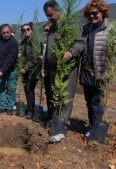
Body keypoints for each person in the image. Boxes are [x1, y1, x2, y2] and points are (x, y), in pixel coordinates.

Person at [64, 0, 112, 139]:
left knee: (97, 104)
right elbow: (80, 45)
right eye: (89, 14)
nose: (92, 16)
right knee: (89, 102)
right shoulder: (86, 29)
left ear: (102, 12)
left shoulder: (109, 29)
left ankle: (96, 133)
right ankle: (92, 127)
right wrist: (71, 52)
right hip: (86, 71)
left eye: (95, 13)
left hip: (100, 73)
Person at [42, 0, 79, 142]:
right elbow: (48, 50)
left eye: (51, 15)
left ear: (58, 11)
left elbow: (80, 42)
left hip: (66, 69)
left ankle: (63, 127)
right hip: (52, 69)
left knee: (65, 96)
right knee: (55, 95)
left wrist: (71, 51)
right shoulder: (52, 29)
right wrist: (45, 66)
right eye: (47, 16)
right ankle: (55, 121)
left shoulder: (69, 25)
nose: (49, 18)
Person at [0, 24, 18, 115]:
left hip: (11, 69)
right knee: (0, 88)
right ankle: (2, 106)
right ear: (1, 33)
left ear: (10, 31)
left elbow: (10, 60)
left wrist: (1, 71)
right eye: (4, 33)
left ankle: (10, 107)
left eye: (8, 32)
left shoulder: (13, 43)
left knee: (11, 89)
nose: (6, 34)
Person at [20, 23, 42, 119]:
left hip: (33, 70)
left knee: (29, 89)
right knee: (27, 89)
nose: (26, 31)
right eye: (24, 30)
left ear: (31, 30)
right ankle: (30, 109)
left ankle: (30, 111)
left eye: (28, 29)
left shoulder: (35, 42)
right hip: (25, 71)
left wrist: (25, 68)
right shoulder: (23, 42)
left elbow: (35, 58)